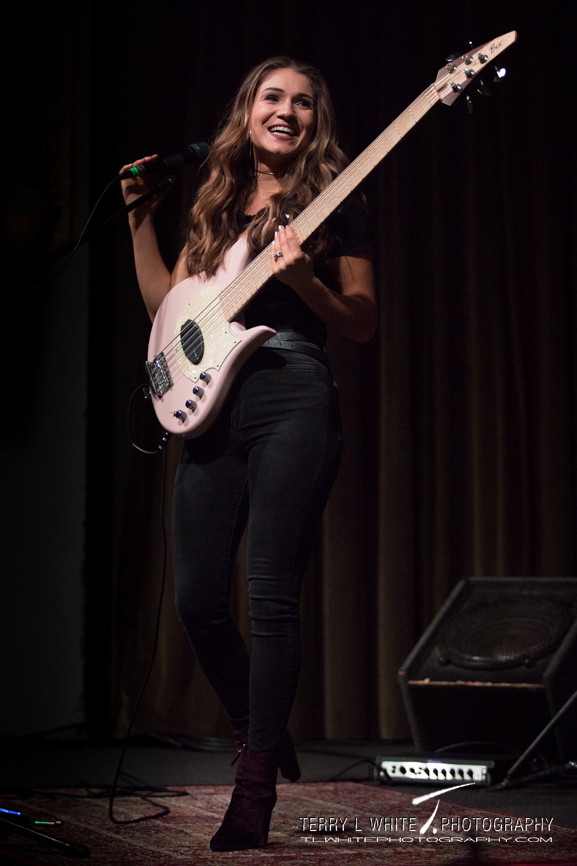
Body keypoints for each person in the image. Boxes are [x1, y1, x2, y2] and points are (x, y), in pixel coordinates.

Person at [121, 56, 377, 851]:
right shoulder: (217, 198)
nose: (287, 111)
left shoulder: (334, 201)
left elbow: (362, 322)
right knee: (197, 598)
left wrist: (305, 284)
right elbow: (173, 311)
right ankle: (259, 729)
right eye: (273, 97)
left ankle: (255, 781)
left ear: (315, 122)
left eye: (304, 103)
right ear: (247, 109)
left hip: (291, 393)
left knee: (268, 596)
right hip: (213, 409)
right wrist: (137, 217)